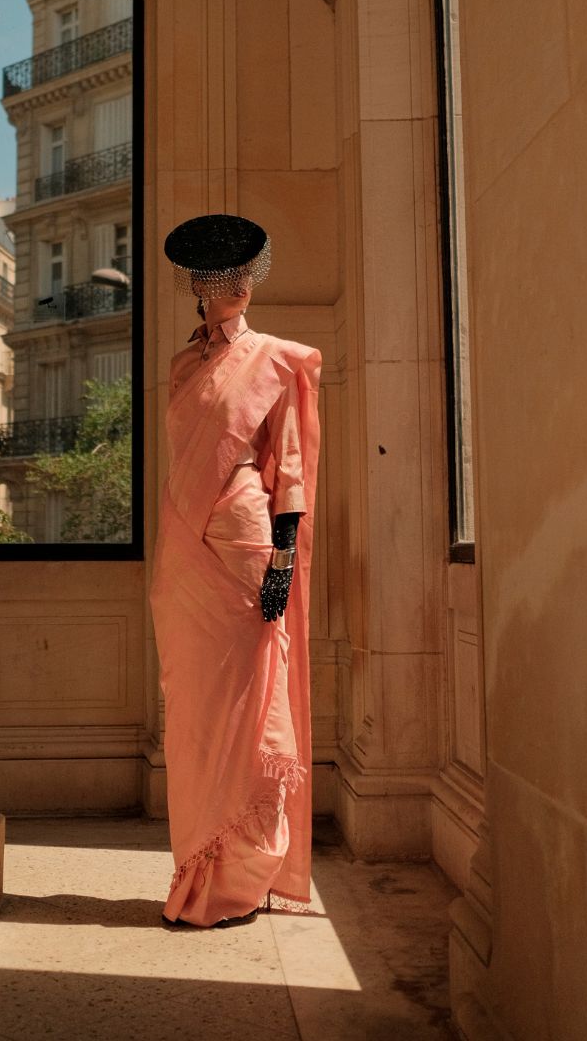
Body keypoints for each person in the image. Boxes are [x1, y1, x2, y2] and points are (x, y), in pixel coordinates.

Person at [150, 213, 322, 928]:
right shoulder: (183, 366)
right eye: (224, 278)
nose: (239, 287)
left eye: (244, 276)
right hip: (184, 555)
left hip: (249, 547)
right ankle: (198, 864)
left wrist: (282, 566)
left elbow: (288, 471)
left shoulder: (280, 359)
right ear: (202, 286)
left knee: (249, 710)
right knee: (192, 709)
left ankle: (241, 877)